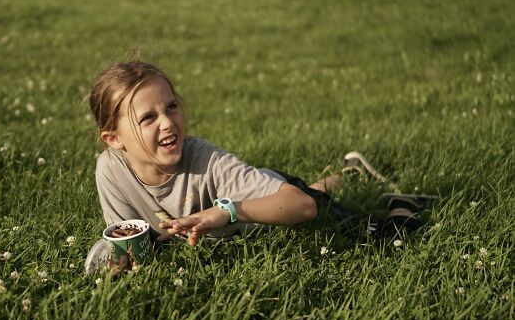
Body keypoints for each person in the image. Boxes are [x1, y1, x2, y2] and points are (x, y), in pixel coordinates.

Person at [85, 61, 431, 274]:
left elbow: (303, 207)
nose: (168, 123)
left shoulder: (207, 161)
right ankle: (350, 172)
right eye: (148, 117)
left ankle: (404, 202)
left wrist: (226, 213)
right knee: (309, 189)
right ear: (114, 139)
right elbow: (128, 238)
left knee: (387, 236)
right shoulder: (111, 170)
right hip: (268, 198)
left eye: (172, 107)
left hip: (276, 212)